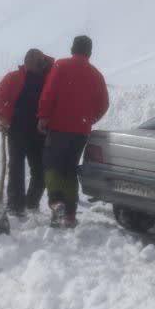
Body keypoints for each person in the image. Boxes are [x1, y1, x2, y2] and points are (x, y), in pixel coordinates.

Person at [37, 35, 108, 228]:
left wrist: (43, 116)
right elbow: (103, 104)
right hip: (81, 131)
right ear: (89, 52)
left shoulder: (61, 66)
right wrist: (89, 119)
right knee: (70, 170)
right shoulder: (96, 74)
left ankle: (56, 201)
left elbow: (49, 93)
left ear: (72, 49)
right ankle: (69, 214)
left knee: (52, 166)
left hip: (59, 127)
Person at [0, 49, 54, 217]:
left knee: (40, 170)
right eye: (33, 61)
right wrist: (2, 117)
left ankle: (31, 203)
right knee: (16, 167)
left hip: (39, 131)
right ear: (26, 62)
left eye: (39, 61)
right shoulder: (13, 77)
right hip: (17, 129)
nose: (36, 65)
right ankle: (15, 205)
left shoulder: (49, 78)